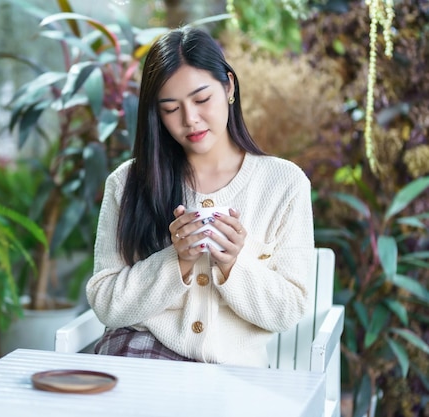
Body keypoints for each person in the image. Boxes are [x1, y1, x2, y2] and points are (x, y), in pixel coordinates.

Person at [85, 26, 315, 368]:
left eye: (202, 99)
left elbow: (289, 310)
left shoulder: (284, 184)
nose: (190, 119)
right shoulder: (127, 182)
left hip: (232, 379)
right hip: (141, 360)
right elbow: (105, 302)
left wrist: (233, 264)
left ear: (229, 87)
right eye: (170, 108)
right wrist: (174, 261)